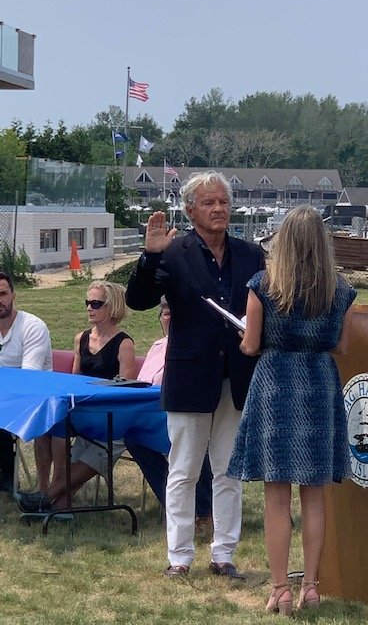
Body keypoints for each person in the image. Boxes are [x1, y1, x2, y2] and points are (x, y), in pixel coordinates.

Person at [126, 170, 265, 579]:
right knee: (184, 470)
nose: (219, 208)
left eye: (223, 201)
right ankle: (180, 557)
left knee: (227, 469)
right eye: (208, 202)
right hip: (190, 376)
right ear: (190, 210)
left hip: (236, 375)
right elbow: (137, 300)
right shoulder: (173, 252)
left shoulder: (251, 255)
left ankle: (224, 555)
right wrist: (151, 255)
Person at [227, 205, 356, 616]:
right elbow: (342, 346)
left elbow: (250, 345)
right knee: (314, 494)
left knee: (276, 495)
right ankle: (312, 586)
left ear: (282, 240)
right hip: (319, 383)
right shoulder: (340, 290)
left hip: (276, 384)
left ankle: (281, 588)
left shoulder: (263, 285)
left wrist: (249, 338)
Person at [15, 280, 136, 512]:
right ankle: (46, 492)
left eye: (96, 303)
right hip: (81, 412)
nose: (89, 308)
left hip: (110, 416)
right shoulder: (81, 338)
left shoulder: (124, 344)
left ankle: (46, 498)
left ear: (112, 308)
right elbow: (73, 381)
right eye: (87, 303)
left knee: (98, 445)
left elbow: (125, 394)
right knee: (48, 423)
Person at [124, 296, 214, 537]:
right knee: (133, 437)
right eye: (165, 313)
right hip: (157, 418)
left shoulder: (199, 346)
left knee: (196, 438)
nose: (170, 318)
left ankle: (203, 510)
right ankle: (177, 507)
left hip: (193, 415)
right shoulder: (156, 347)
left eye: (175, 312)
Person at [0, 271, 54, 494]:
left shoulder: (33, 327)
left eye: (2, 293)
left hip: (34, 401)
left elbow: (28, 378)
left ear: (14, 295)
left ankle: (6, 475)